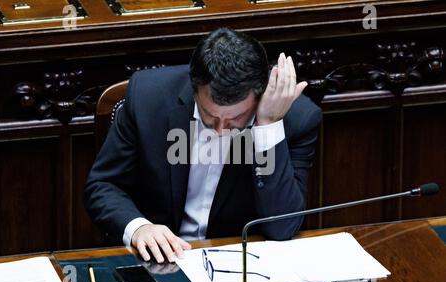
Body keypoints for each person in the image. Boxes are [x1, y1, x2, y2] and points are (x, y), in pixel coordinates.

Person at [84, 28, 322, 263]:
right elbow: (103, 185)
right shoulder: (148, 97)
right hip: (158, 262)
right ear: (194, 90)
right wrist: (139, 228)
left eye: (235, 119)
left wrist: (268, 126)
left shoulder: (296, 120)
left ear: (259, 97)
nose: (220, 130)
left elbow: (281, 227)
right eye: (209, 116)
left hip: (236, 265)